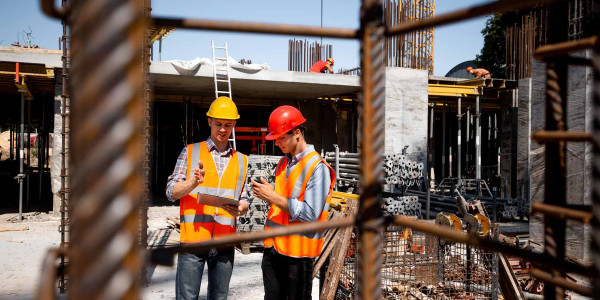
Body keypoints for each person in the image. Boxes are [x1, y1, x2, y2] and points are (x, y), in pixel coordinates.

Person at [166, 96, 249, 300]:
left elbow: (245, 198)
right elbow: (170, 192)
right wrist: (193, 183)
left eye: (228, 125)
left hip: (224, 243)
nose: (223, 129)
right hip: (193, 242)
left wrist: (242, 207)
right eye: (218, 124)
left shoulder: (241, 160)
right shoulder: (191, 152)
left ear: (234, 125)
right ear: (209, 121)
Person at [251, 105, 335, 300]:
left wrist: (271, 196)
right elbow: (280, 203)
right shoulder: (283, 162)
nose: (278, 143)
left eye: (281, 137)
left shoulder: (317, 167)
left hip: (298, 255)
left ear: (297, 133)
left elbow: (311, 213)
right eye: (276, 138)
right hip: (273, 249)